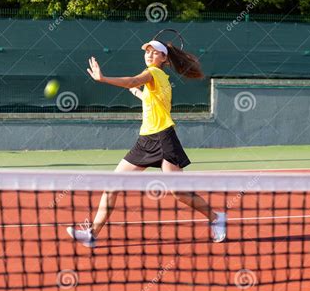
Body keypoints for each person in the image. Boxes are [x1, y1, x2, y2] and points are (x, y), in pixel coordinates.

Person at [66, 39, 227, 247]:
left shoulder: (154, 73)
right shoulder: (157, 79)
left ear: (164, 58)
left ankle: (216, 218)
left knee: (179, 193)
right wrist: (139, 93)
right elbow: (153, 101)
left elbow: (133, 80)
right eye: (147, 52)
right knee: (112, 185)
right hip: (146, 140)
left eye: (155, 53)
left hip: (163, 138)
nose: (149, 55)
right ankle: (92, 234)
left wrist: (104, 78)